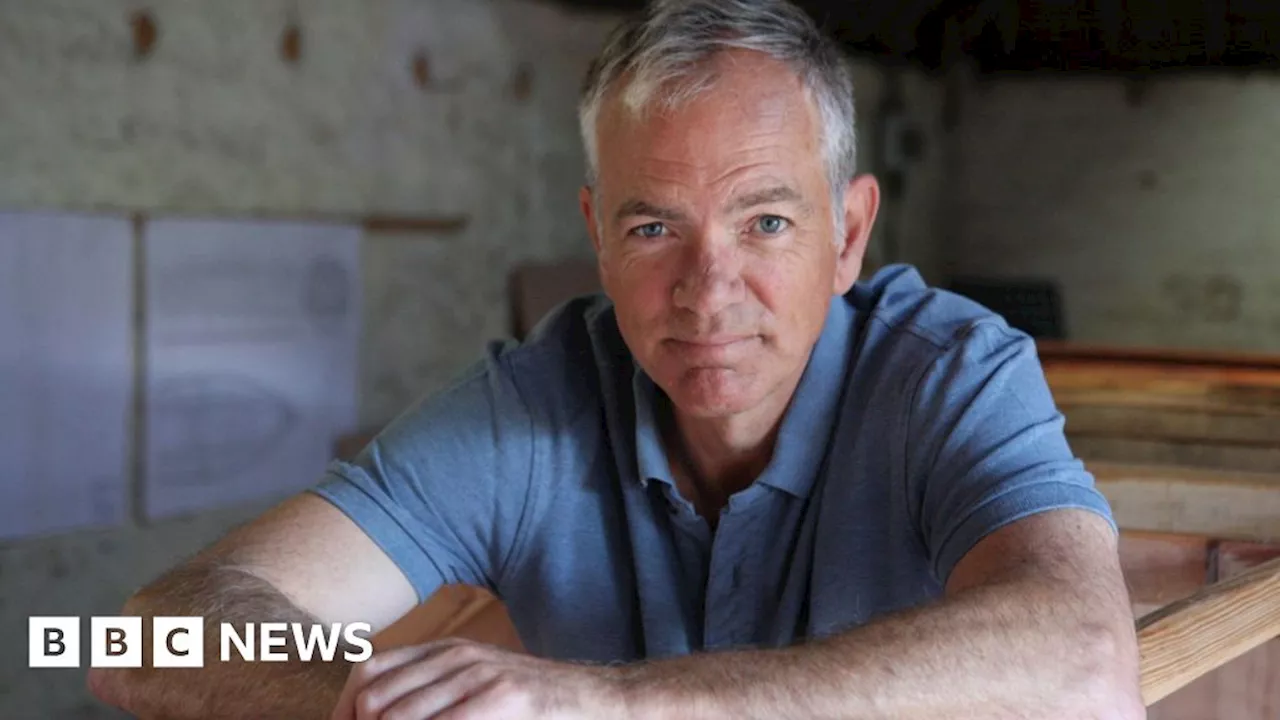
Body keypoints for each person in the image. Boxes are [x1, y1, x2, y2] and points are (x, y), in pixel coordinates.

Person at [89, 0, 1145, 717]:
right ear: (596, 234)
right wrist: (389, 698)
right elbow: (126, 642)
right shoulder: (530, 406)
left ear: (850, 235)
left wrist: (612, 703)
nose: (705, 286)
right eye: (653, 231)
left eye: (765, 224)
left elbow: (1088, 662)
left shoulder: (947, 372)